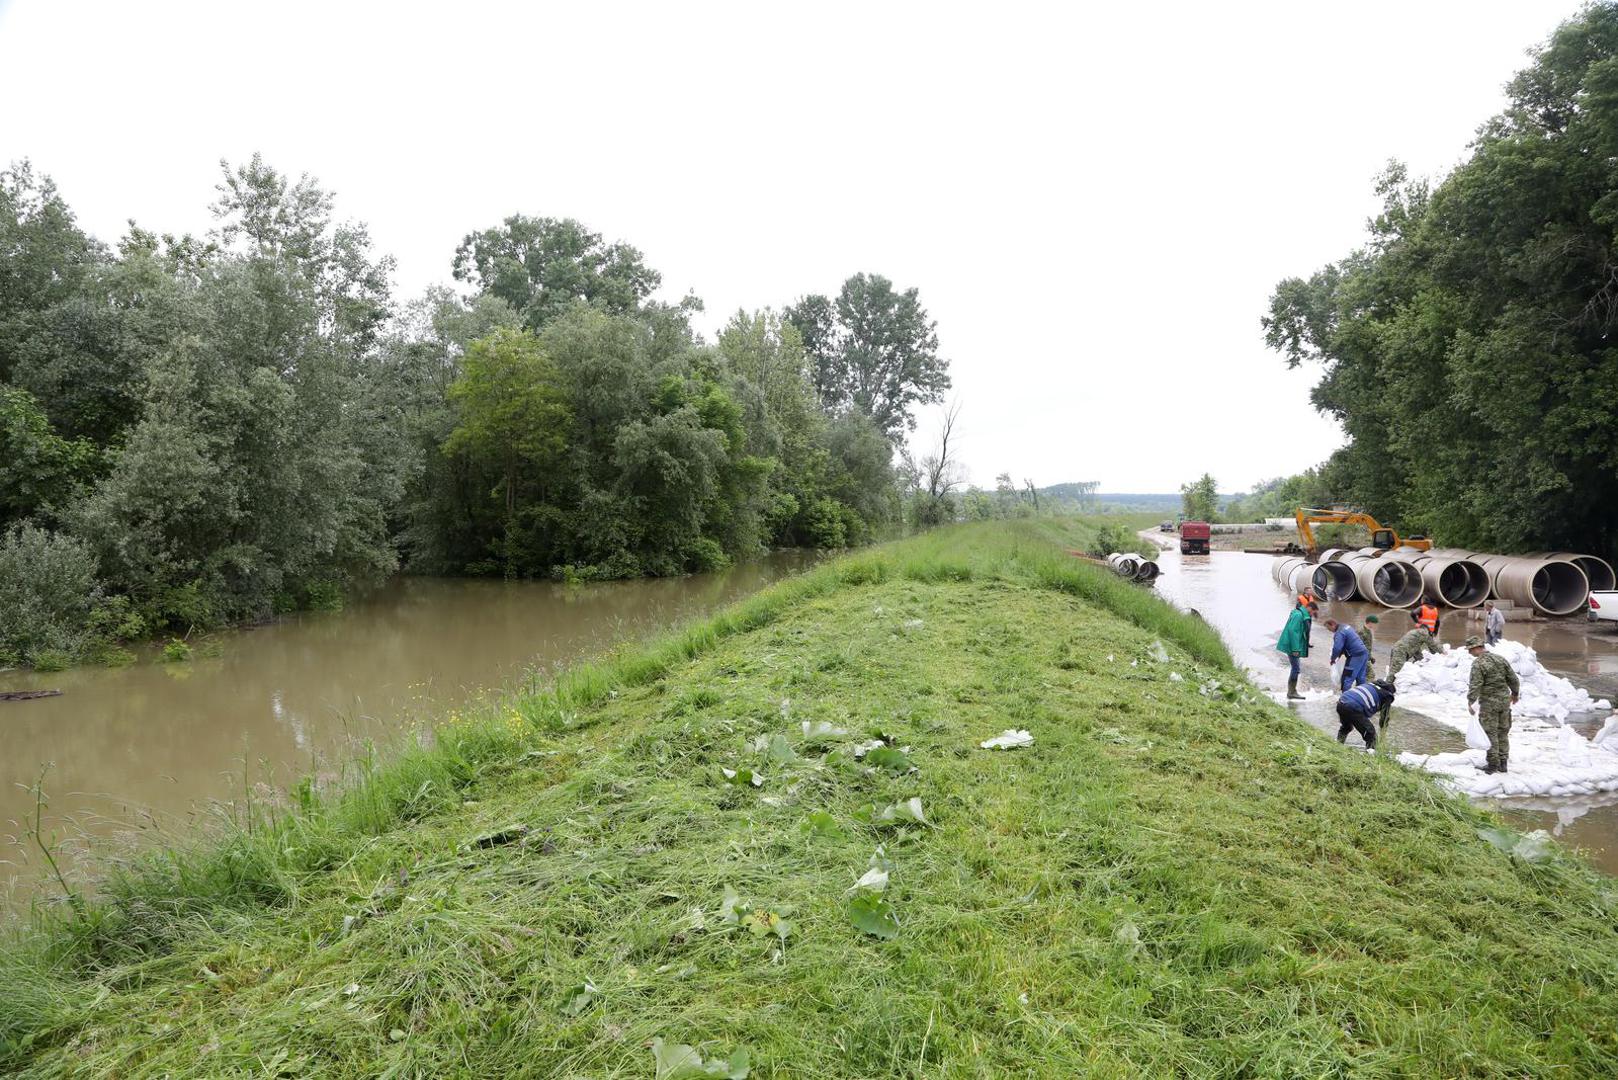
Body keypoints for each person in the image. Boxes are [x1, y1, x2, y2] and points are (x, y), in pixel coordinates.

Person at [1467, 635, 1521, 774]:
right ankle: (1503, 764)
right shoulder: (1500, 659)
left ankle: (1492, 765)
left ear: (1477, 648)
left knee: (1490, 732)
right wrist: (1515, 694)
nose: (1469, 653)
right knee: (1502, 732)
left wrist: (1471, 702)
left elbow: (1475, 685)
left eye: (1470, 650)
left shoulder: (1478, 664)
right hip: (1504, 702)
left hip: (1489, 704)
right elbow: (1513, 679)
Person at [1336, 678, 1395, 750]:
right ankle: (1370, 757)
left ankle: (1338, 746)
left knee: (1346, 727)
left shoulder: (1371, 685)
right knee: (1371, 734)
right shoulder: (1387, 695)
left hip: (1341, 702)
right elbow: (1384, 717)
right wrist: (1383, 733)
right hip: (1353, 706)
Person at [1277, 594, 1316, 700]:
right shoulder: (1299, 615)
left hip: (1292, 645)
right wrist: (1295, 649)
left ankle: (1292, 691)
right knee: (1296, 668)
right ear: (1309, 608)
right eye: (1312, 612)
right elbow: (1293, 631)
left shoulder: (1299, 614)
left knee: (1296, 668)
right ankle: (1291, 692)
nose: (1312, 615)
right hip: (1292, 646)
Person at [1388, 619, 1441, 685]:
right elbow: (1433, 645)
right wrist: (1442, 653)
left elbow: (1418, 654)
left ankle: (1388, 685)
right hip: (1400, 651)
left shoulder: (1416, 637)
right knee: (1395, 672)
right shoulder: (1423, 632)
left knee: (1393, 671)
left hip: (1397, 649)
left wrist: (1422, 662)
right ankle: (1386, 687)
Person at [1325, 617, 1370, 689]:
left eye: (1328, 628)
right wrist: (1338, 657)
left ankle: (1345, 698)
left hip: (1355, 655)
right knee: (1360, 678)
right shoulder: (1346, 626)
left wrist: (1333, 659)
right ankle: (1361, 696)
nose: (1329, 630)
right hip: (1364, 653)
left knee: (1347, 678)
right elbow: (1344, 645)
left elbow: (1337, 648)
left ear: (1332, 625)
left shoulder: (1339, 632)